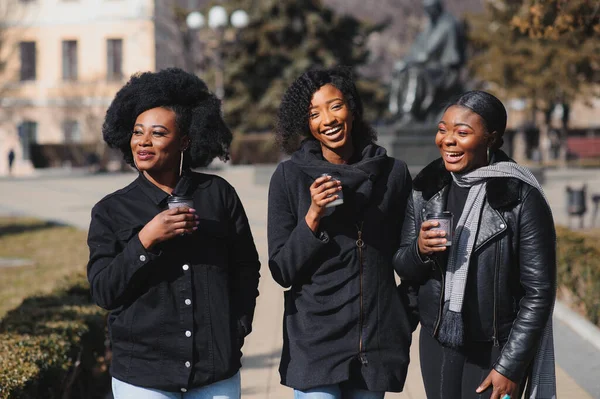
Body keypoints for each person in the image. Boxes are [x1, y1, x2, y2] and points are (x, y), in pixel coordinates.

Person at [87, 68, 260, 398]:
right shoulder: (111, 210)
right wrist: (145, 240)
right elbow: (103, 292)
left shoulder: (218, 195)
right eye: (138, 133)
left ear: (184, 141)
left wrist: (236, 327)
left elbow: (246, 267)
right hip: (143, 376)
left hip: (215, 372)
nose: (144, 141)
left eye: (157, 133)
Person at [393, 90, 556, 399]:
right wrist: (420, 249)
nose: (448, 140)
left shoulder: (519, 197)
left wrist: (510, 366)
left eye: (462, 132)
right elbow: (402, 264)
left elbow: (539, 292)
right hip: (438, 342)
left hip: (494, 350)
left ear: (491, 139)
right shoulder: (426, 189)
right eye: (443, 130)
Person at [267, 67, 415, 399]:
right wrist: (313, 217)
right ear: (305, 124)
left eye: (335, 106)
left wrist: (403, 316)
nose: (328, 119)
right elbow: (282, 270)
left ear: (351, 107)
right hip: (314, 343)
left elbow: (407, 258)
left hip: (374, 344)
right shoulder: (289, 177)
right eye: (314, 113)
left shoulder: (393, 174)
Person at [388, 0, 466, 123]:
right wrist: (404, 63)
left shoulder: (448, 24)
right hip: (427, 67)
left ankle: (410, 112)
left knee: (415, 72)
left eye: (430, 8)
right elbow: (415, 50)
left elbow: (427, 53)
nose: (428, 12)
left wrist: (410, 62)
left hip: (444, 69)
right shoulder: (430, 26)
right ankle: (397, 112)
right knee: (401, 72)